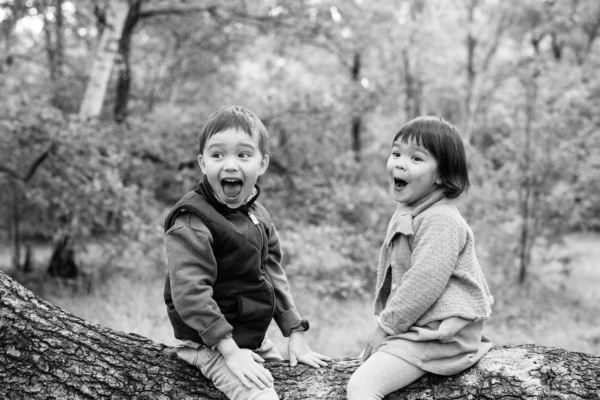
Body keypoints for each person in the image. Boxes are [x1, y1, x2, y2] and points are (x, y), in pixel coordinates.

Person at [164, 105, 330, 400]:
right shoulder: (192, 221)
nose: (230, 165)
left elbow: (271, 273)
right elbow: (190, 295)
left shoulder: (258, 216)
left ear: (262, 163)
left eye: (243, 155)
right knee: (262, 395)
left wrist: (295, 330)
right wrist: (230, 351)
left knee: (293, 384)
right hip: (208, 342)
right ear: (202, 163)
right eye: (218, 155)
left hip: (249, 336)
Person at [347, 116, 494, 400]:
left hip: (443, 336)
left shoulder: (442, 219)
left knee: (363, 386)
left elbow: (423, 281)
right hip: (423, 327)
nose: (400, 163)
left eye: (416, 158)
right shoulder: (412, 210)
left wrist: (385, 328)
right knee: (366, 365)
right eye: (396, 153)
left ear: (441, 175)